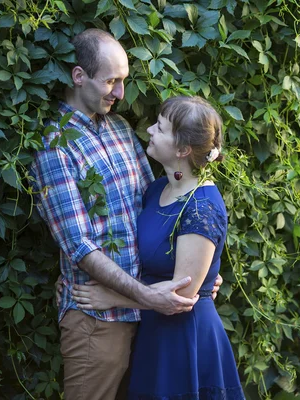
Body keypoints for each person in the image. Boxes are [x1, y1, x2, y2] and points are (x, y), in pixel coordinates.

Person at [29, 29, 221, 400]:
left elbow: (161, 211)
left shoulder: (120, 129)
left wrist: (201, 272)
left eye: (123, 81)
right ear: (79, 76)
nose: (120, 93)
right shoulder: (54, 146)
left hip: (151, 320)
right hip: (99, 319)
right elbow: (78, 246)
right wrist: (149, 298)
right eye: (111, 81)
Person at [71, 96, 245, 399]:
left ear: (182, 150)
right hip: (154, 332)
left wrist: (112, 297)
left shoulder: (201, 208)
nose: (149, 130)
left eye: (160, 128)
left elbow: (181, 297)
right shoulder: (158, 189)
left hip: (184, 340)